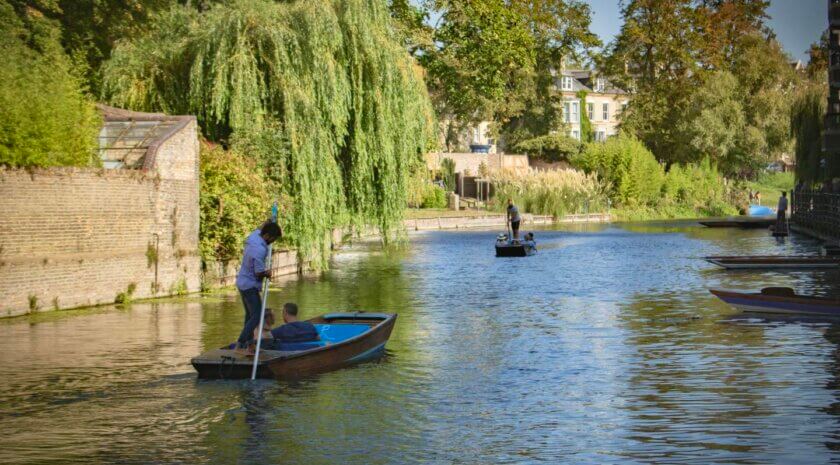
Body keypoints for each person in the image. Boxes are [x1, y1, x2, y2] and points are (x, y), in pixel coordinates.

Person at [235, 221, 282, 353]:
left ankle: (250, 346)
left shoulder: (254, 235)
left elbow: (260, 227)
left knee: (249, 316)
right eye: (273, 239)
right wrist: (267, 273)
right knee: (257, 315)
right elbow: (258, 273)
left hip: (242, 282)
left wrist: (271, 220)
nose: (273, 242)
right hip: (250, 286)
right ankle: (241, 343)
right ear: (267, 236)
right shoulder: (259, 250)